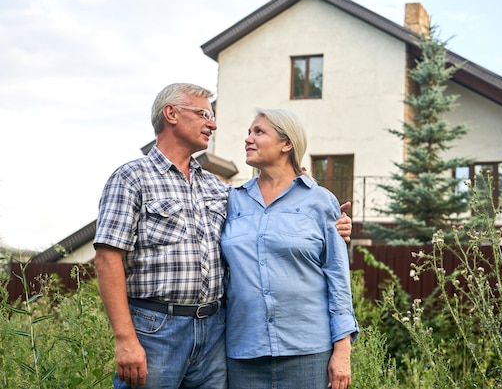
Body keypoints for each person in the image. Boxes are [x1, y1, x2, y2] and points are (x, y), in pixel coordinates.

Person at [93, 83, 352, 389]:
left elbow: (317, 258)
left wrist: (333, 223)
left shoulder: (218, 189)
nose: (213, 123)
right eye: (204, 114)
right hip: (159, 330)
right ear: (171, 114)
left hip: (215, 335)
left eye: (258, 132)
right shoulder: (134, 178)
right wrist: (125, 339)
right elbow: (107, 259)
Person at [220, 108, 359, 389]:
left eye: (259, 132)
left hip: (308, 352)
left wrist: (342, 352)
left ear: (287, 143)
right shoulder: (232, 201)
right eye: (248, 132)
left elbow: (338, 279)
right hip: (243, 353)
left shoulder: (320, 202)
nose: (248, 139)